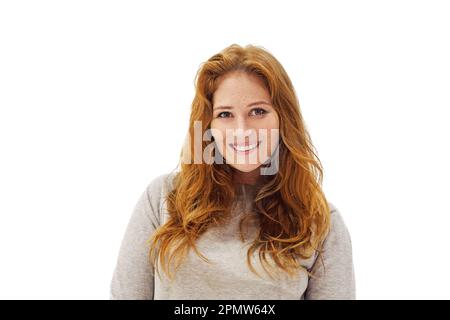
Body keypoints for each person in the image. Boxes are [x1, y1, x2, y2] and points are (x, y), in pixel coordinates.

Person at [110, 44, 356, 300]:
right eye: (225, 114)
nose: (242, 130)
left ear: (284, 117)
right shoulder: (162, 198)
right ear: (208, 125)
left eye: (258, 111)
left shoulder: (319, 221)